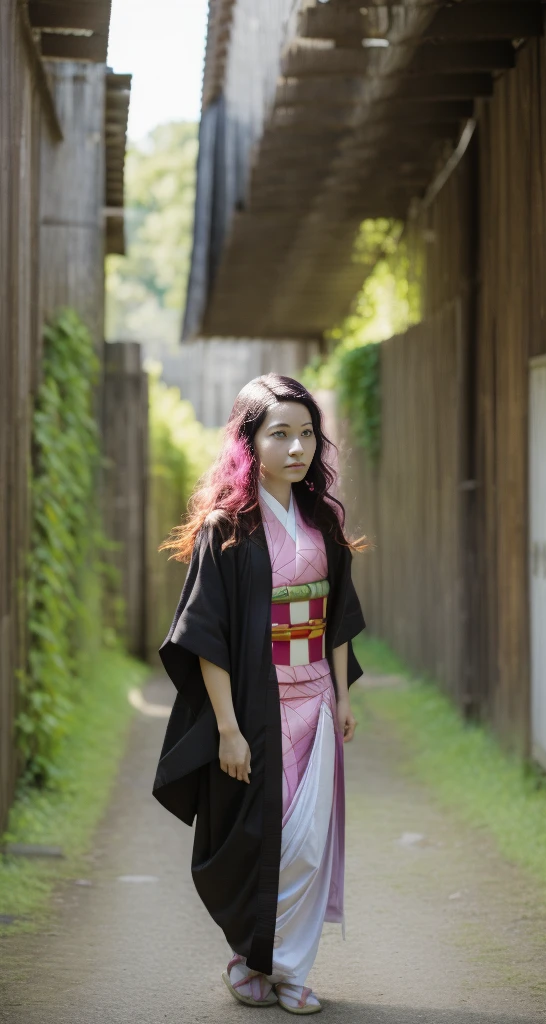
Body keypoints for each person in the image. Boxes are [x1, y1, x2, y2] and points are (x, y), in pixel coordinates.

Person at [153, 374, 367, 1014]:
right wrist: (227, 728)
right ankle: (254, 956)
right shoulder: (227, 530)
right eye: (280, 434)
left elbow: (337, 619)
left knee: (308, 841)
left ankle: (292, 972)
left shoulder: (323, 522)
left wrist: (344, 696)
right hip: (255, 705)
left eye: (307, 434)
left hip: (315, 703)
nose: (297, 447)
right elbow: (207, 637)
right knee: (261, 839)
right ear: (249, 443)